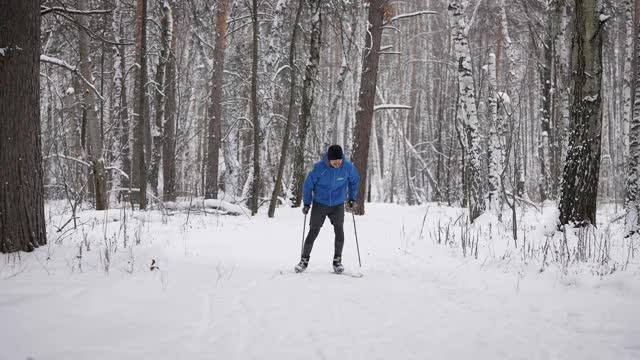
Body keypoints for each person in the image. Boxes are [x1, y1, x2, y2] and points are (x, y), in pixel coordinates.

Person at [295, 145, 360, 273]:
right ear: (328, 160)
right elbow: (308, 186)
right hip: (320, 204)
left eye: (339, 160)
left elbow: (354, 180)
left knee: (339, 230)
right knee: (313, 231)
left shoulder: (347, 167)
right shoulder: (319, 168)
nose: (337, 163)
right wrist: (307, 203)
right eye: (334, 161)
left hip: (337, 204)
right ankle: (304, 260)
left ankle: (337, 262)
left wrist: (352, 198)